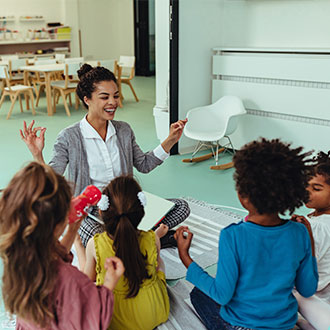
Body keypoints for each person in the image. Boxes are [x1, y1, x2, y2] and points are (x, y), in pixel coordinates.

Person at [19, 64, 190, 247]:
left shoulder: (123, 130)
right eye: (105, 97)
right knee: (96, 240)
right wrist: (37, 154)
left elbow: (144, 164)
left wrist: (171, 139)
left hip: (127, 204)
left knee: (181, 207)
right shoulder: (69, 136)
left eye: (116, 96)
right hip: (91, 211)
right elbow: (52, 179)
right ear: (87, 100)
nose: (113, 102)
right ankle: (150, 239)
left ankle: (134, 239)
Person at [175, 138, 318, 330]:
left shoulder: (233, 236)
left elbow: (221, 294)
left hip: (241, 326)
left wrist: (185, 257)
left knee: (198, 294)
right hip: (284, 324)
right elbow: (307, 289)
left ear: (243, 196)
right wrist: (309, 243)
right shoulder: (299, 232)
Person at [0, 162, 125, 329]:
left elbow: (52, 255)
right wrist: (109, 282)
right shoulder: (70, 280)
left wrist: (72, 231)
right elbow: (95, 318)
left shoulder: (18, 259)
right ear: (58, 224)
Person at [76, 175, 170, 330]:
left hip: (114, 320)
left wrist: (78, 244)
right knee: (159, 263)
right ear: (141, 212)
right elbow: (155, 264)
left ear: (101, 211)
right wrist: (156, 237)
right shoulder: (153, 239)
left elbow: (86, 283)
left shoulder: (95, 244)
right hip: (153, 312)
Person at [290, 151, 330, 329]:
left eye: (316, 188)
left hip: (308, 300)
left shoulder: (317, 227)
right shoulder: (315, 219)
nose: (307, 192)